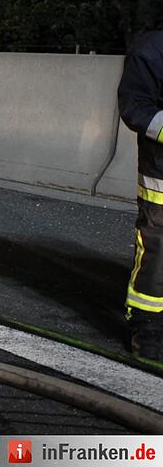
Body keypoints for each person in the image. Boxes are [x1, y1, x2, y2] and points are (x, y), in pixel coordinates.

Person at [118, 32, 163, 360]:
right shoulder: (152, 50)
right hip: (162, 177)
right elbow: (135, 107)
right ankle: (147, 326)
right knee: (158, 252)